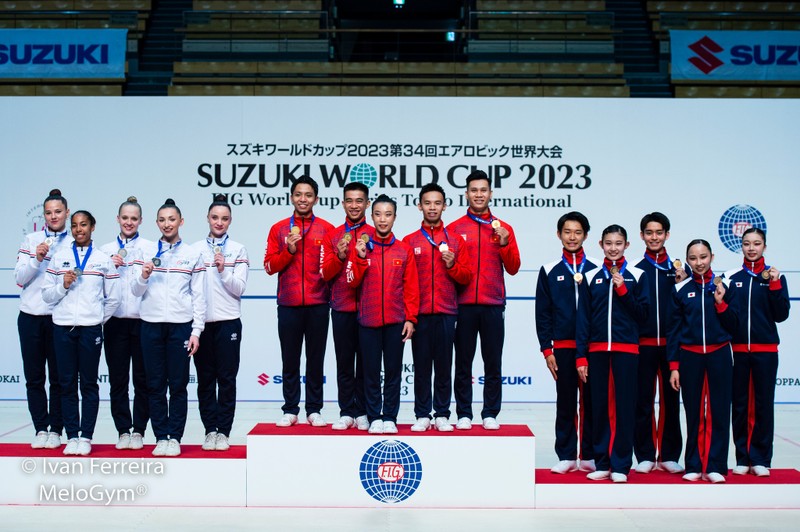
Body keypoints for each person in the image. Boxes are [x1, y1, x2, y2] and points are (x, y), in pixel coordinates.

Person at [447, 170, 520, 430]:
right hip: (462, 307)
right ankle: (464, 413)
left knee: (493, 363)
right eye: (474, 190)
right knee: (463, 363)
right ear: (466, 194)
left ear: (490, 194)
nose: (479, 195)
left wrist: (504, 244)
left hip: (492, 305)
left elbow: (513, 267)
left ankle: (490, 413)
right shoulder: (454, 229)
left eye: (483, 190)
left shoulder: (503, 228)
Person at [42, 210, 120, 455]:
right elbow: (46, 295)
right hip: (62, 327)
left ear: (92, 227)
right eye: (75, 225)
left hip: (90, 330)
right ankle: (71, 435)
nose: (78, 229)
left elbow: (113, 299)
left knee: (88, 384)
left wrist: (95, 320)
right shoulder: (59, 258)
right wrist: (62, 286)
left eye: (83, 225)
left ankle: (86, 436)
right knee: (66, 384)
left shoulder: (103, 259)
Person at [133, 198, 206, 457]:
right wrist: (143, 275)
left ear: (181, 222)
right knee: (154, 385)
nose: (167, 224)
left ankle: (174, 436)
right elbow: (135, 290)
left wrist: (196, 331)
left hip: (180, 327)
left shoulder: (192, 254)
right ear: (157, 223)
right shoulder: (145, 252)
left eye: (172, 219)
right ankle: (160, 436)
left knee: (177, 385)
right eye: (162, 220)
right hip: (150, 325)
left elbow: (199, 295)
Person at [576, 224, 649, 483]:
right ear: (601, 245)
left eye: (618, 243)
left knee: (624, 409)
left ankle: (620, 465)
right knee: (598, 408)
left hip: (626, 351)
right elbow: (583, 319)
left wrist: (623, 290)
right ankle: (602, 462)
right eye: (609, 243)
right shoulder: (592, 276)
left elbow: (644, 315)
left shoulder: (638, 275)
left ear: (627, 245)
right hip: (596, 352)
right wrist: (581, 356)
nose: (613, 248)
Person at [345, 194, 419, 434]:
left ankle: (390, 417)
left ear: (395, 217)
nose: (383, 219)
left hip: (396, 322)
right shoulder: (363, 248)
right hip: (368, 321)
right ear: (372, 216)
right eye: (378, 214)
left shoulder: (404, 250)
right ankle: (374, 416)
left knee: (394, 374)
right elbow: (352, 282)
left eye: (388, 215)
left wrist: (410, 318)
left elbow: (411, 288)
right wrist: (359, 258)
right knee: (370, 373)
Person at [264, 176, 334, 427]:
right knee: (290, 358)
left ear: (316, 199)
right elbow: (269, 266)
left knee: (316, 359)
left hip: (318, 303)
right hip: (288, 304)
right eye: (298, 194)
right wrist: (288, 252)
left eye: (308, 195)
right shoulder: (279, 229)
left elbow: (332, 267)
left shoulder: (327, 229)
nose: (303, 199)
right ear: (291, 197)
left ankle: (314, 409)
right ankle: (290, 408)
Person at [668, 239, 738, 483]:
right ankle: (694, 465)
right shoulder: (680, 289)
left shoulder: (726, 286)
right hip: (690, 356)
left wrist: (721, 304)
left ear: (712, 257)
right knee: (694, 412)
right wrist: (674, 366)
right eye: (694, 258)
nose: (699, 263)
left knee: (719, 411)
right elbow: (674, 331)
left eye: (704, 257)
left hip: (719, 354)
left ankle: (716, 466)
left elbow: (735, 325)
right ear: (687, 260)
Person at [403, 183, 471, 432]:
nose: (432, 207)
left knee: (444, 365)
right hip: (419, 314)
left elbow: (466, 277)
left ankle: (442, 413)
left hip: (446, 311)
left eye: (437, 203)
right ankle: (422, 413)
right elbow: (403, 281)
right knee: (421, 366)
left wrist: (453, 265)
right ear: (419, 205)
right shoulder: (409, 241)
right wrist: (409, 314)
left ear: (444, 206)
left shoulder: (454, 240)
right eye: (428, 203)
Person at [535, 211, 599, 474]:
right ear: (559, 234)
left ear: (586, 235)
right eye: (567, 232)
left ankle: (590, 455)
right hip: (562, 347)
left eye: (578, 232)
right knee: (565, 402)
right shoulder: (549, 270)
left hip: (592, 348)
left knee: (592, 402)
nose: (572, 237)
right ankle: (566, 455)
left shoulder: (597, 268)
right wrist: (546, 348)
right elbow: (543, 313)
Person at [725, 228, 790, 477]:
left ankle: (762, 458)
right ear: (740, 246)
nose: (751, 248)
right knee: (740, 405)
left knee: (763, 405)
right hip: (739, 351)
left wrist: (774, 284)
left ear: (764, 246)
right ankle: (743, 457)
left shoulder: (775, 276)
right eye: (747, 243)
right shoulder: (731, 278)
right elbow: (727, 317)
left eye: (757, 243)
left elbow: (781, 314)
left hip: (766, 351)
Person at [15, 188, 72, 449]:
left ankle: (56, 429)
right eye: (48, 213)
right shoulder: (31, 240)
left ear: (66, 213)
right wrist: (36, 259)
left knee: (60, 378)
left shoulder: (74, 243)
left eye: (58, 212)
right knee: (34, 377)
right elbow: (20, 278)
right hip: (30, 316)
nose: (53, 216)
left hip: (59, 318)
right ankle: (40, 428)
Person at [193, 194, 249, 451]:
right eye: (215, 217)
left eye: (224, 218)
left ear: (230, 221)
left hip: (228, 323)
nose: (219, 222)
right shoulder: (195, 250)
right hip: (202, 325)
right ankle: (209, 431)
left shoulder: (238, 249)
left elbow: (239, 288)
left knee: (226, 379)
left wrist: (223, 269)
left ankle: (223, 431)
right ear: (207, 218)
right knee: (205, 379)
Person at [632, 212, 686, 475]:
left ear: (667, 235)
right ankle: (643, 454)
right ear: (642, 235)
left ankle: (668, 454)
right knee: (641, 400)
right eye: (649, 232)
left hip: (671, 346)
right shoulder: (633, 269)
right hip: (641, 346)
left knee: (671, 402)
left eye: (659, 232)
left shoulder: (678, 271)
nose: (654, 237)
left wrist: (682, 282)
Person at [99, 196, 152, 451]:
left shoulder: (151, 248)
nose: (129, 222)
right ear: (118, 220)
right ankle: (123, 430)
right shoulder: (104, 250)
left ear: (140, 221)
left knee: (143, 380)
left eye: (134, 218)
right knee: (118, 380)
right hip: (115, 323)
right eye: (125, 218)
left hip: (143, 322)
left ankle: (139, 430)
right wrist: (109, 264)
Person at [320, 182, 374, 431]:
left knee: (365, 363)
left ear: (367, 203)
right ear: (343, 203)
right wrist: (340, 256)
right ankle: (346, 411)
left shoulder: (375, 234)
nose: (354, 205)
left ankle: (362, 410)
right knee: (344, 363)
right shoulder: (332, 236)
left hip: (367, 310)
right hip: (341, 307)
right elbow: (325, 274)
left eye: (359, 201)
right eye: (349, 201)